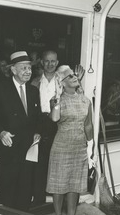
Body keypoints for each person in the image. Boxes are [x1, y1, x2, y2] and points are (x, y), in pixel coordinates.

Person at [0, 51, 42, 211]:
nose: (28, 71)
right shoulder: (1, 89)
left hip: (28, 150)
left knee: (25, 193)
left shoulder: (33, 91)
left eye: (29, 68)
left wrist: (38, 131)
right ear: (13, 70)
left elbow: (36, 118)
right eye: (23, 68)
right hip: (9, 150)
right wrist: (1, 133)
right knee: (8, 195)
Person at [31, 50, 85, 206]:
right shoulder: (35, 82)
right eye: (46, 61)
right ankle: (39, 198)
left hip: (60, 122)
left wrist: (78, 81)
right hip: (41, 122)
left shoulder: (63, 79)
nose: (50, 64)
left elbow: (77, 96)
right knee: (41, 161)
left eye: (53, 61)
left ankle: (63, 201)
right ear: (41, 62)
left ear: (57, 62)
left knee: (61, 163)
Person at [46, 65, 95, 215]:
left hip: (79, 148)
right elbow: (54, 118)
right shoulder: (56, 100)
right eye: (70, 77)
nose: (74, 77)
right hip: (61, 147)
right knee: (59, 184)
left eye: (74, 75)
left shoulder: (85, 100)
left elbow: (88, 125)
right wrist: (58, 96)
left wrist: (90, 148)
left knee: (75, 185)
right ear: (62, 82)